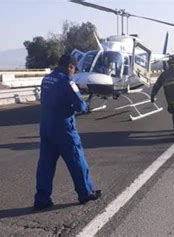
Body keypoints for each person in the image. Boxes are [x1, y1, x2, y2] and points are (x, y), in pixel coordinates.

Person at [34, 54, 101, 210]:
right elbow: (79, 104)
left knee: (45, 165)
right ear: (70, 66)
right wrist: (85, 107)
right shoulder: (67, 81)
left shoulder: (47, 79)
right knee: (77, 160)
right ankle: (85, 192)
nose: (74, 72)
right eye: (74, 69)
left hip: (46, 127)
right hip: (63, 129)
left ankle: (42, 199)